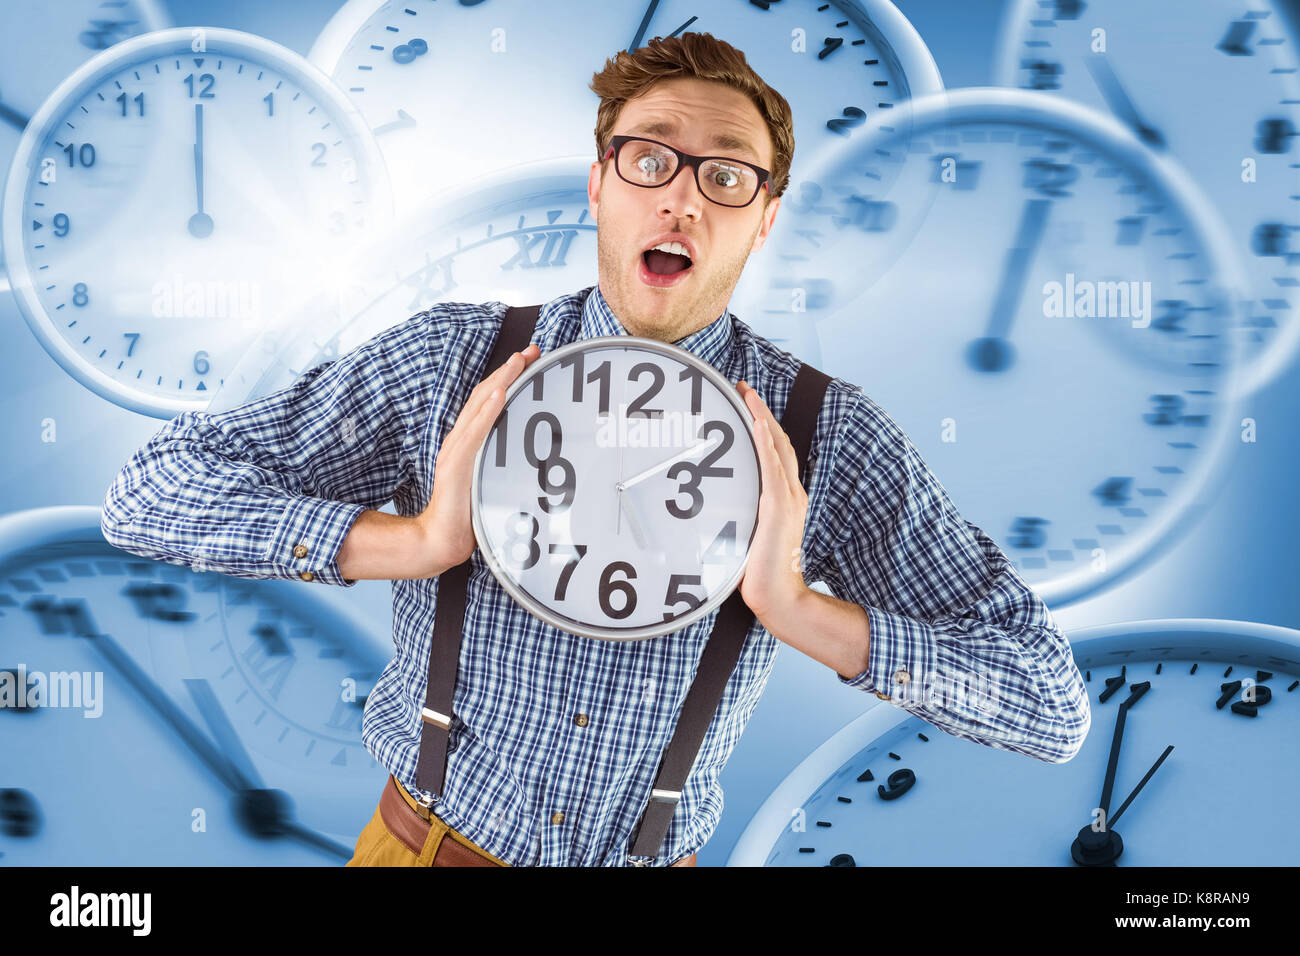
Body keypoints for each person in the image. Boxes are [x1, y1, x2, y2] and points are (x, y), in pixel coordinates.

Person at [100, 32, 1091, 868]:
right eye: (649, 157)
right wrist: (416, 540)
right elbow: (152, 489)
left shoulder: (822, 434)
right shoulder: (451, 361)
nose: (683, 199)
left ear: (765, 218)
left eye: (728, 174)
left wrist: (796, 609)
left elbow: (1048, 702)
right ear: (598, 183)